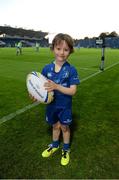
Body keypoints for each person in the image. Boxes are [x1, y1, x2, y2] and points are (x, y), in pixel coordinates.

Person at [30, 33, 80, 166]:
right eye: (58, 49)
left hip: (64, 107)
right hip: (51, 106)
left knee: (64, 127)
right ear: (53, 49)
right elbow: (41, 89)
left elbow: (73, 91)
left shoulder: (71, 70)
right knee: (55, 126)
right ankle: (55, 145)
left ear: (70, 51)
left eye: (66, 49)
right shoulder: (46, 69)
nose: (62, 53)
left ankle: (66, 149)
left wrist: (57, 86)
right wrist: (35, 96)